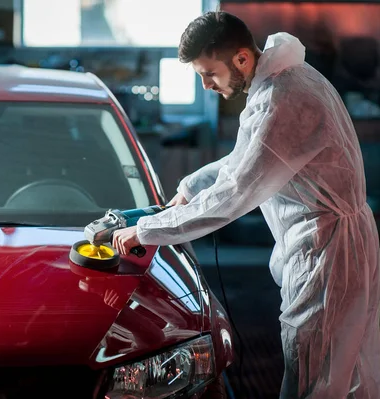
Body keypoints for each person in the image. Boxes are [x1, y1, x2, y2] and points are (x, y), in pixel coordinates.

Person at [111, 10, 380, 399]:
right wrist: (191, 186)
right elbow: (250, 156)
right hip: (338, 243)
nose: (206, 85)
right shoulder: (288, 79)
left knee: (313, 374)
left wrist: (149, 231)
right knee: (345, 372)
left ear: (241, 58)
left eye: (210, 73)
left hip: (327, 253)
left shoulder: (281, 99)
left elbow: (237, 191)